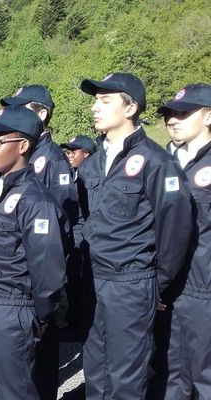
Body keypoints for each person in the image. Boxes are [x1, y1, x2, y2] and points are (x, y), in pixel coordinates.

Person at [78, 73, 193, 399]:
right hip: (97, 278)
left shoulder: (155, 161)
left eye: (105, 100)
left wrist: (159, 282)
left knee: (126, 376)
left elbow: (175, 227)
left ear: (130, 108)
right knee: (96, 367)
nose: (94, 107)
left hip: (132, 281)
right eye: (95, 100)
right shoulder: (96, 162)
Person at [0, 105, 68, 400]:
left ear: (23, 146)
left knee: (15, 392)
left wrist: (41, 315)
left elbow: (47, 266)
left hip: (12, 309)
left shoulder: (35, 200)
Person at [150, 83, 211, 400]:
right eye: (169, 114)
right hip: (169, 291)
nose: (173, 120)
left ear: (208, 115)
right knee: (169, 376)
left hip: (205, 291)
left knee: (206, 379)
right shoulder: (164, 164)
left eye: (184, 113)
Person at [59, 135, 97, 340]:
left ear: (87, 154)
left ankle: (81, 326)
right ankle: (74, 321)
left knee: (80, 283)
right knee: (72, 282)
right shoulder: (75, 173)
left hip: (83, 235)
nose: (69, 155)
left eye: (74, 152)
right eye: (68, 151)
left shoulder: (89, 176)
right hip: (74, 234)